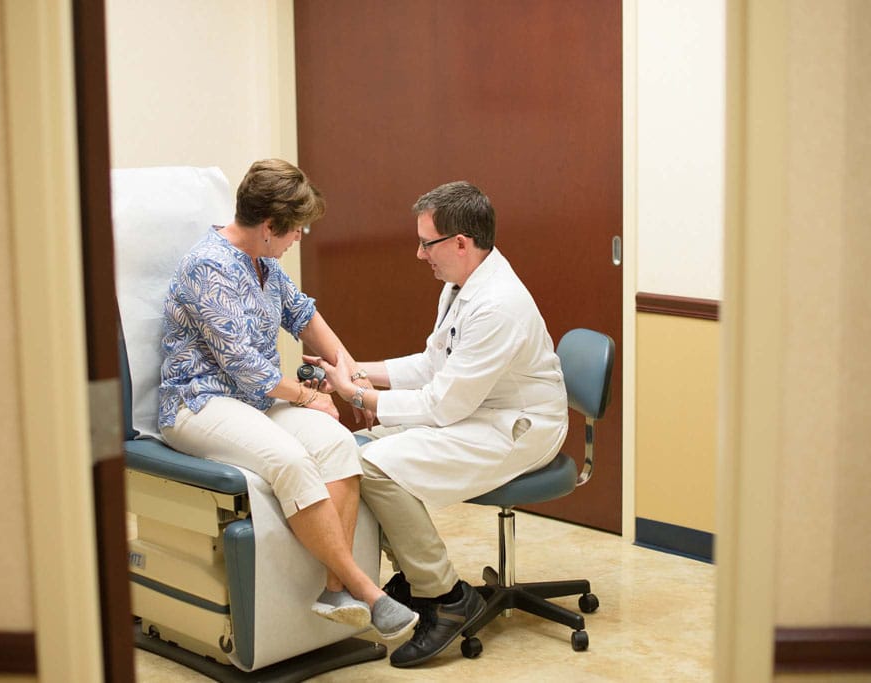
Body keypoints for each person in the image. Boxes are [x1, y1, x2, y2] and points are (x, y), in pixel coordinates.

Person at [157, 158, 417, 640]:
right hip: (198, 402)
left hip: (252, 401)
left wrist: (354, 382)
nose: (299, 237)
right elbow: (244, 365)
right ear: (269, 226)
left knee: (338, 444)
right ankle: (368, 591)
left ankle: (333, 590)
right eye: (296, 229)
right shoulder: (208, 267)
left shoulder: (264, 264)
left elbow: (305, 318)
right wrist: (307, 396)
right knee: (291, 460)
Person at [314, 181, 569, 667]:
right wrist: (357, 372)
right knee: (355, 448)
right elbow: (433, 364)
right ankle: (417, 579)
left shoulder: (497, 306)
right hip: (478, 409)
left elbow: (443, 405)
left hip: (518, 427)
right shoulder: (460, 287)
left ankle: (447, 597)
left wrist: (358, 395)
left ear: (461, 243)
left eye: (426, 243)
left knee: (374, 465)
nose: (419, 254)